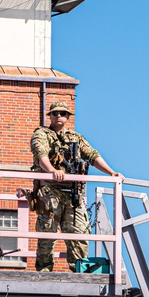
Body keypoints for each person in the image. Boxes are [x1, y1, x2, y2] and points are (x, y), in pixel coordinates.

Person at [30, 101, 121, 272]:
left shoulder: (75, 138)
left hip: (72, 192)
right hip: (50, 190)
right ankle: (44, 270)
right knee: (47, 231)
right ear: (49, 115)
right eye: (55, 113)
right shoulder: (42, 134)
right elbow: (40, 153)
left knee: (79, 232)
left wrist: (111, 172)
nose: (59, 116)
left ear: (67, 117)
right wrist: (52, 170)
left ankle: (80, 270)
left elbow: (92, 155)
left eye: (63, 113)